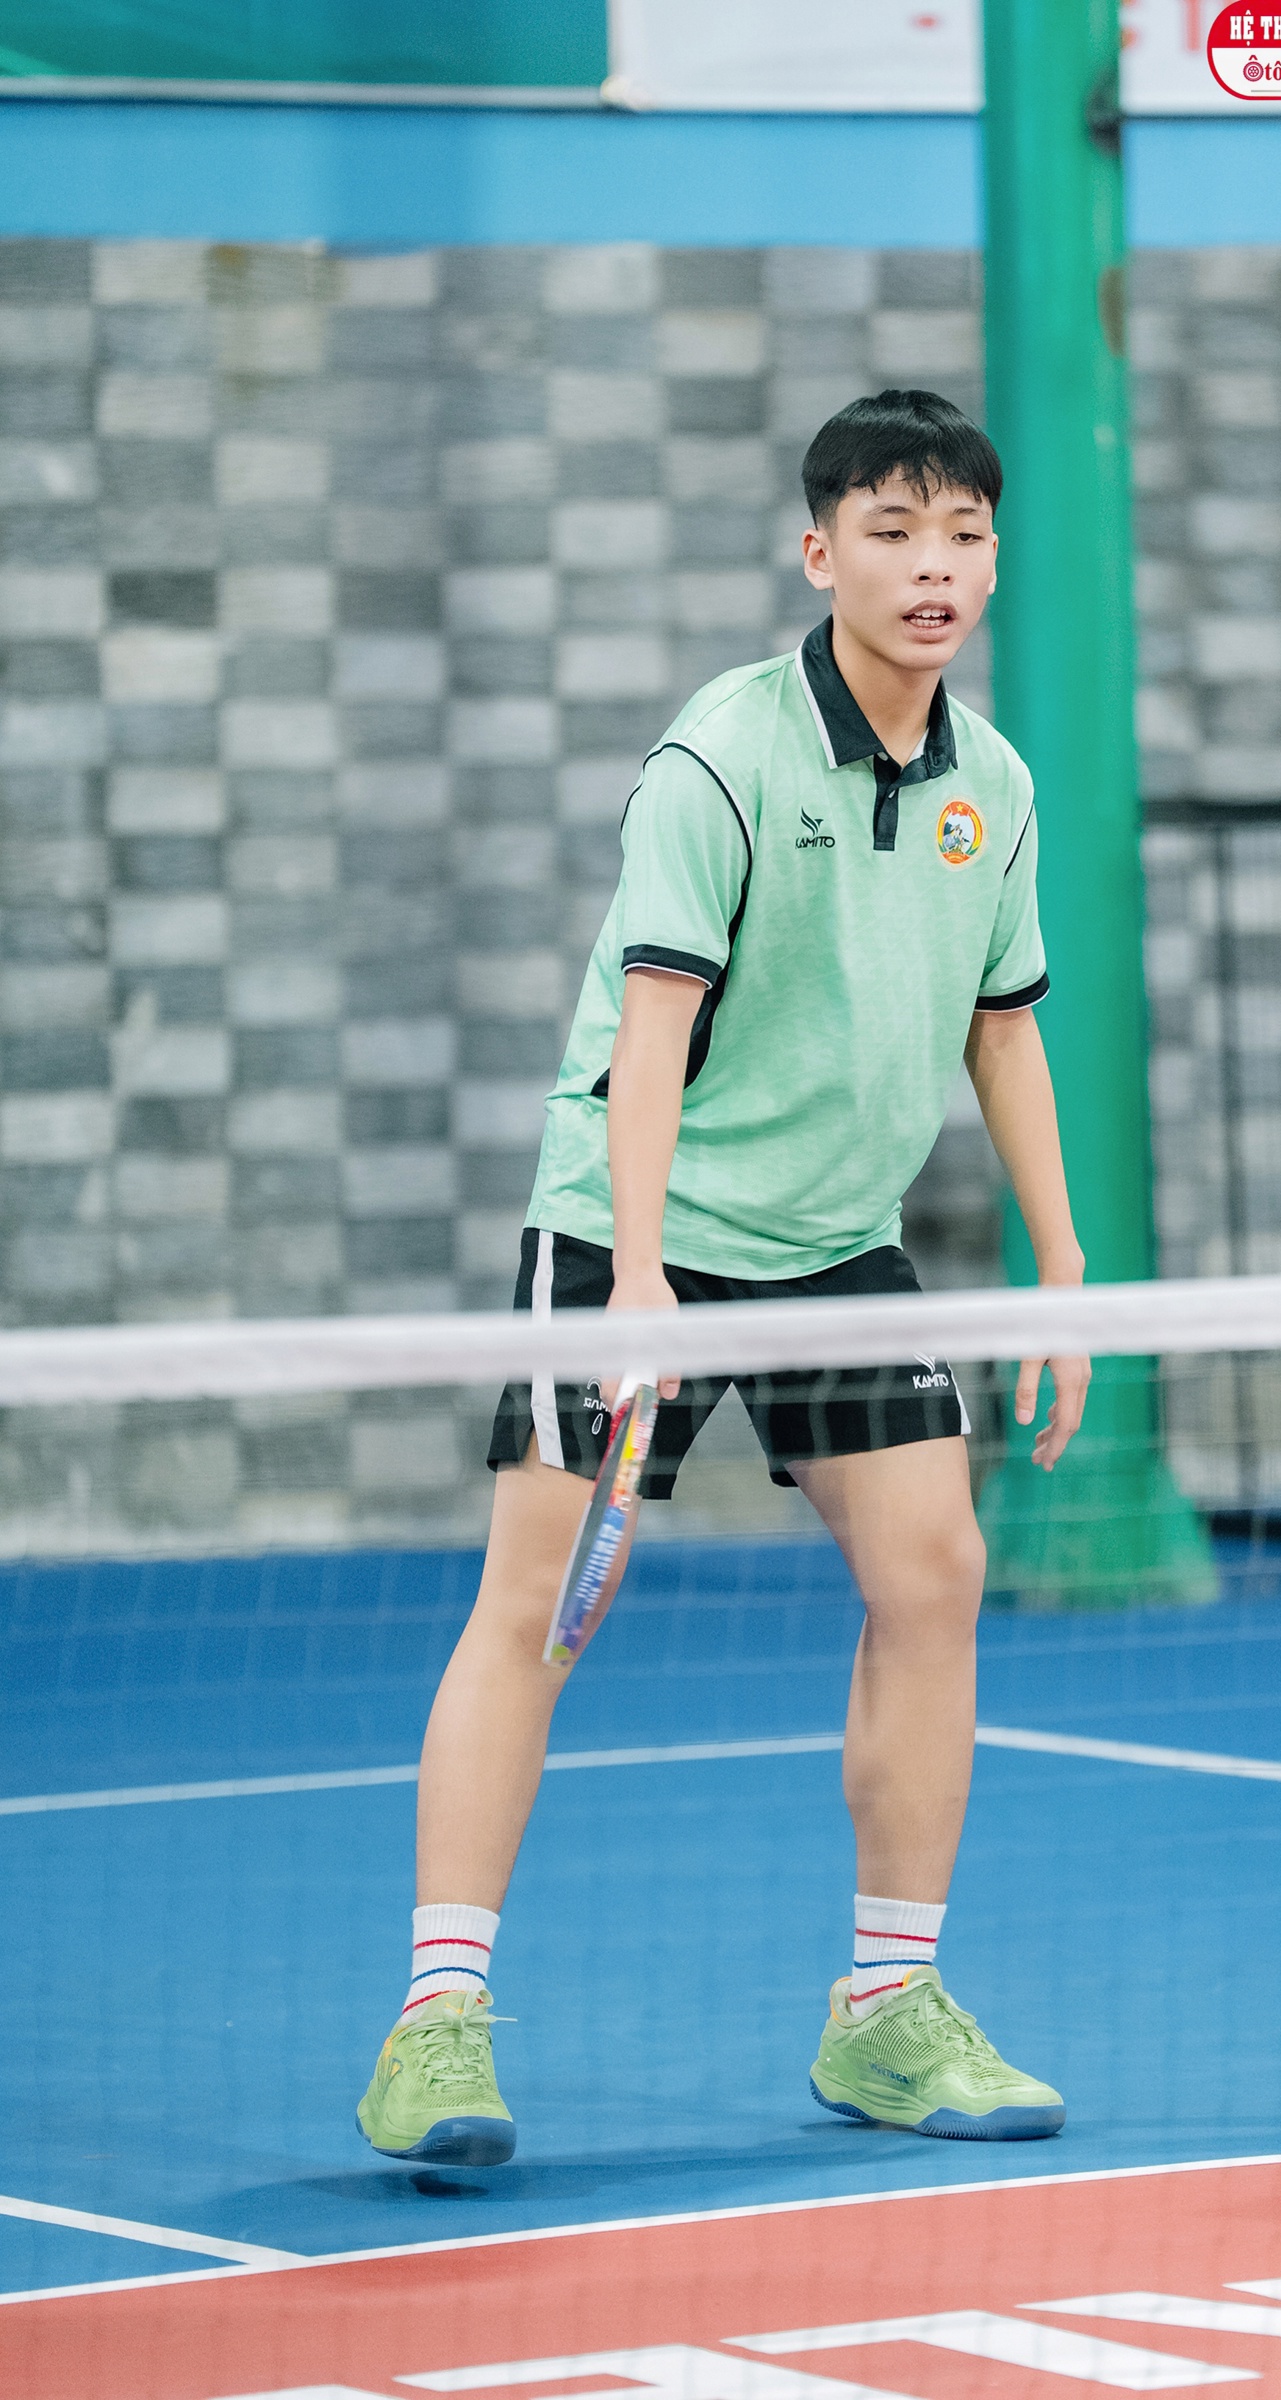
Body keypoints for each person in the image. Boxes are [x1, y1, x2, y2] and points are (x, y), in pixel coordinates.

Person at [356, 388, 1091, 2166]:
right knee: (538, 1603)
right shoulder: (722, 754)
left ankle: (888, 2011)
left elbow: (1004, 1032)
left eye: (964, 534)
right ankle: (436, 2025)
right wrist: (632, 1281)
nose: (933, 567)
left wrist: (1067, 1271)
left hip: (835, 1238)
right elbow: (653, 1027)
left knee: (936, 1571)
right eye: (894, 533)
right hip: (638, 1221)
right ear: (820, 551)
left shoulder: (994, 787)